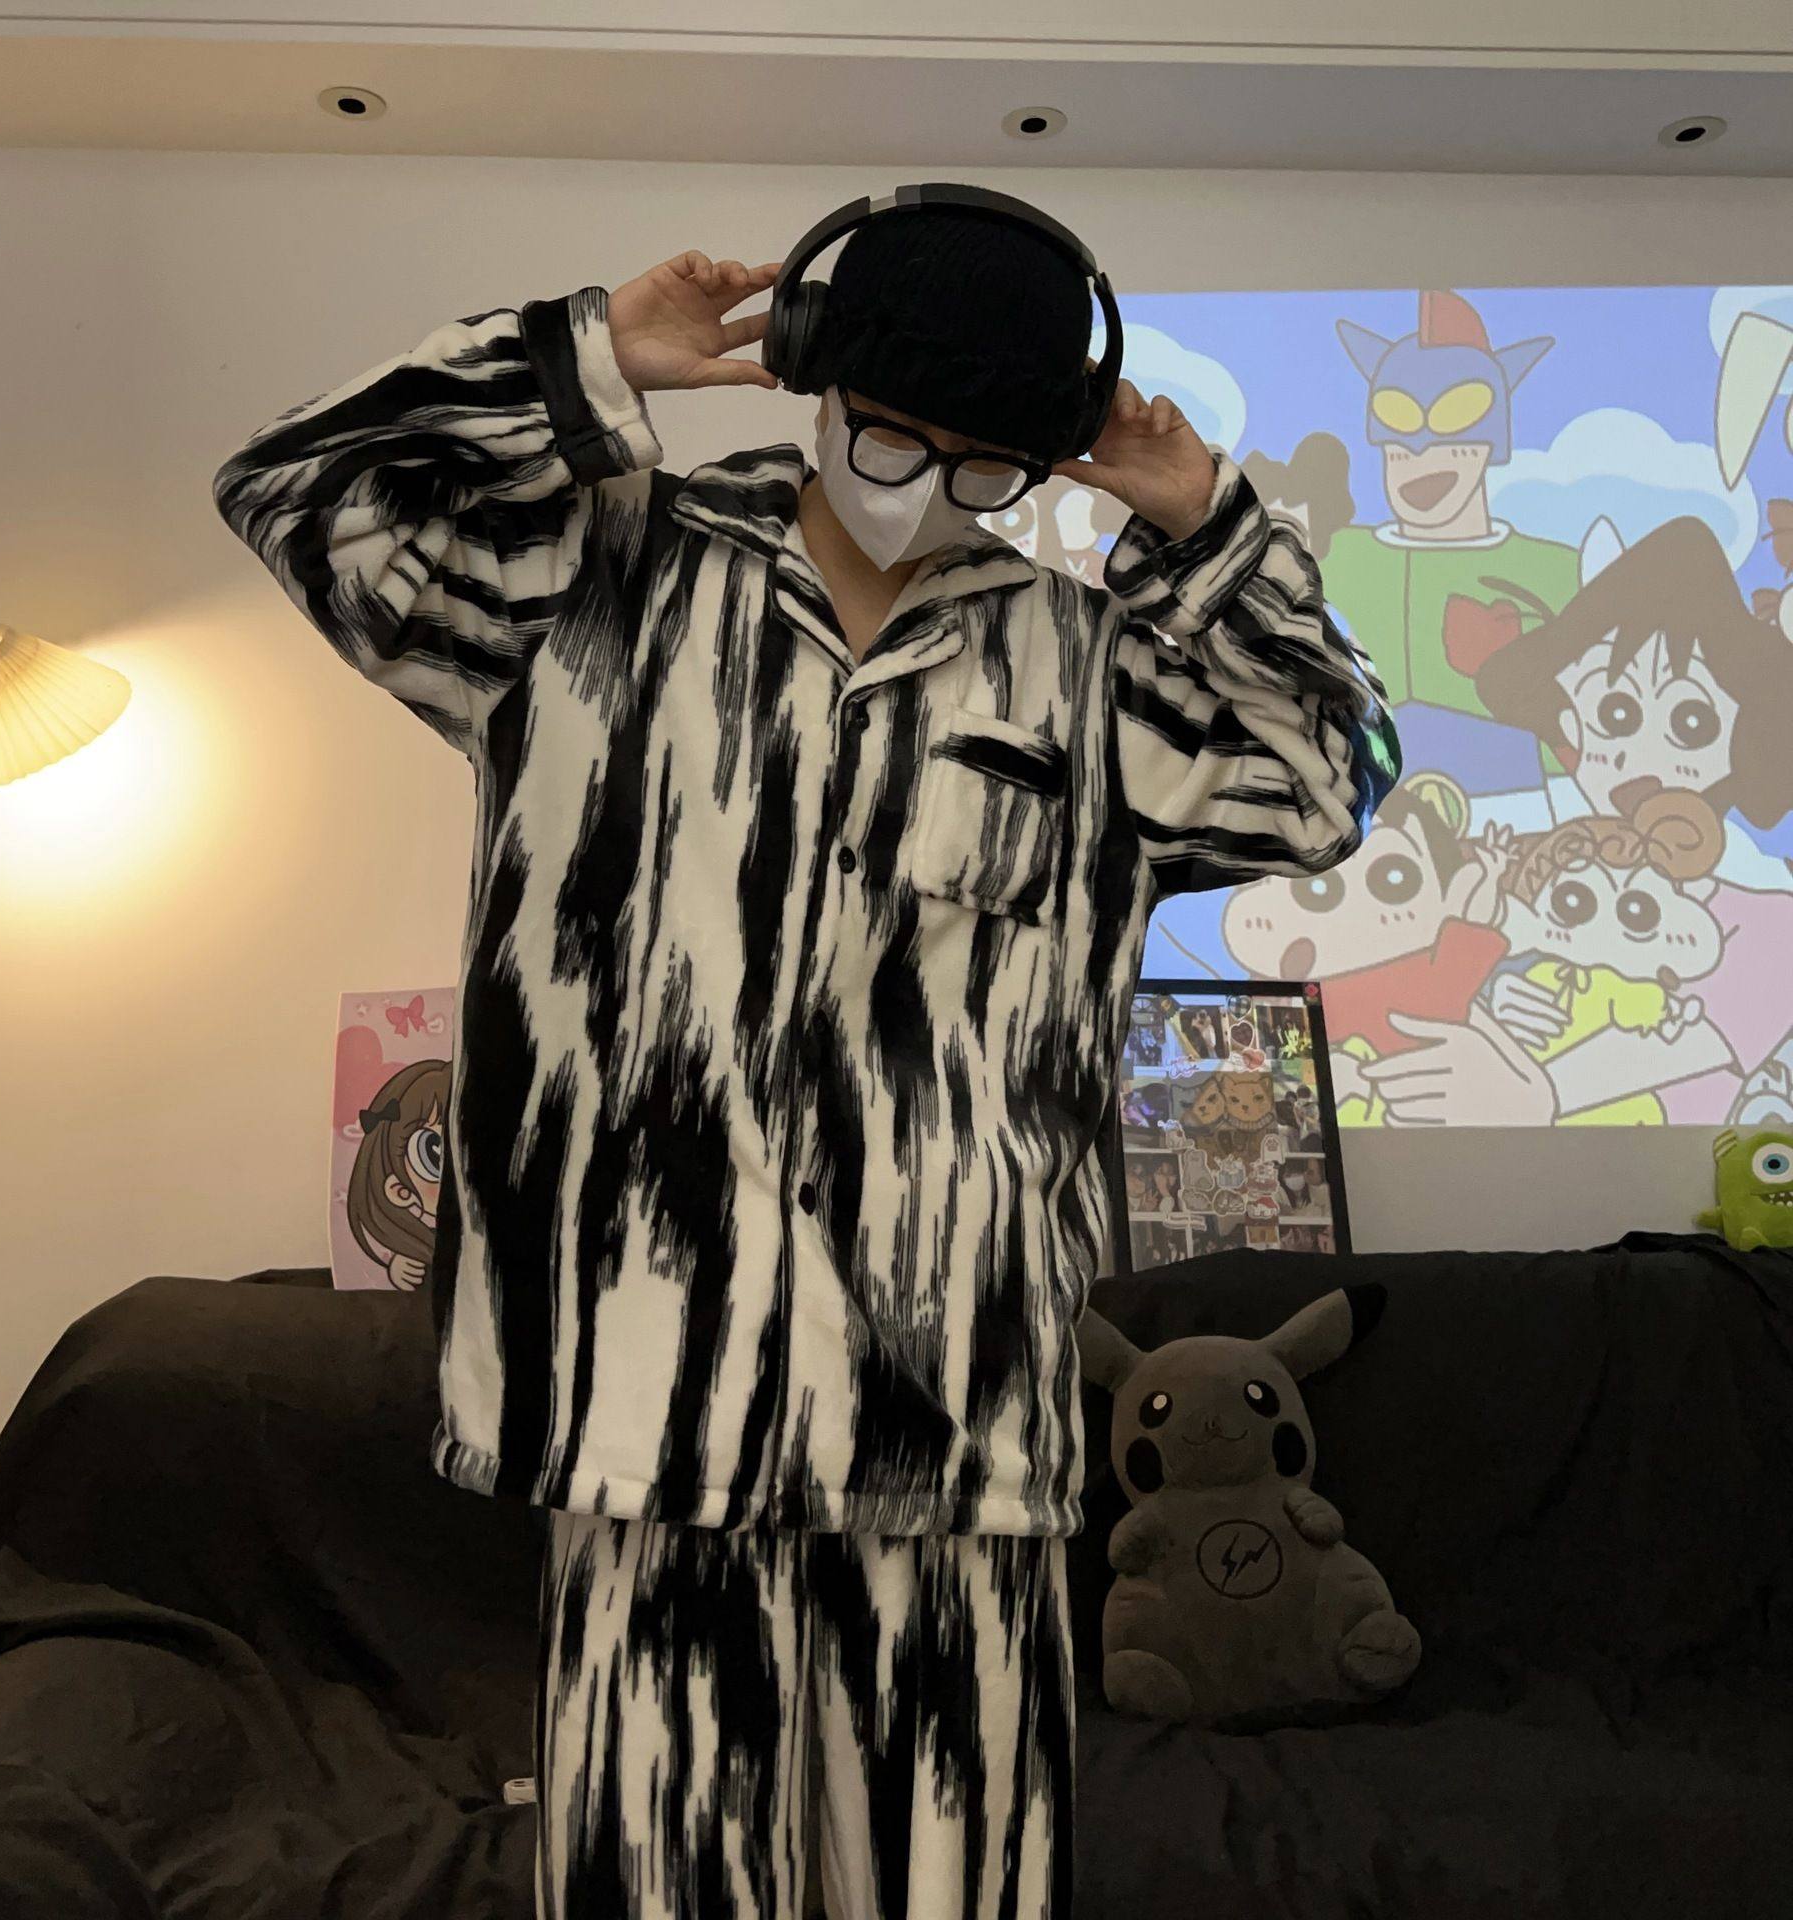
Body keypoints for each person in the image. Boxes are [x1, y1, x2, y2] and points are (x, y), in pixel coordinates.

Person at [212, 184, 1399, 1920]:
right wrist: (586, 359)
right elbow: (296, 490)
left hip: (951, 1428)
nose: (924, 486)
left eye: (981, 464)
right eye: (893, 435)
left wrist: (1202, 522)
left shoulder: (1084, 673)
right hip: (647, 1420)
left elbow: (1324, 779)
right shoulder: (586, 580)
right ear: (822, 380)